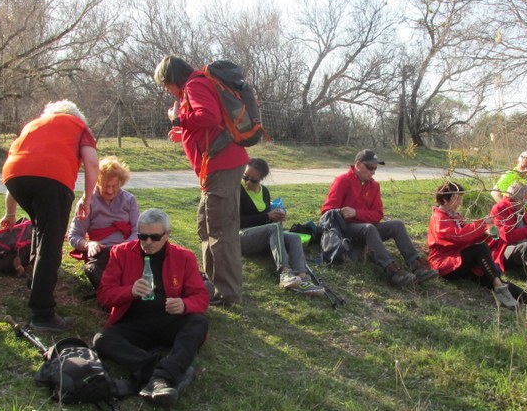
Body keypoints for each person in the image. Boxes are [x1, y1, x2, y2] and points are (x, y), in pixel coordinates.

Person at [154, 55, 247, 306]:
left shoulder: (194, 84)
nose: (167, 91)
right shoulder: (197, 85)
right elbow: (205, 124)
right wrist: (183, 130)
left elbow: (208, 116)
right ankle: (216, 283)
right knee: (206, 226)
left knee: (220, 230)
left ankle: (228, 294)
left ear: (172, 79)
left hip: (221, 165)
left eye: (166, 85)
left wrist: (178, 119)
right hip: (215, 167)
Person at [1, 100, 99, 332]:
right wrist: (87, 198)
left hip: (13, 178)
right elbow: (92, 164)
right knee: (52, 243)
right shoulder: (79, 127)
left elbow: (23, 163)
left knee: (41, 229)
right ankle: (42, 314)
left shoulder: (33, 126)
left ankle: (34, 284)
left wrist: (10, 212)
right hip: (52, 180)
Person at [93, 208, 209, 405]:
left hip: (168, 320)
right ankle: (163, 374)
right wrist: (129, 291)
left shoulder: (184, 257)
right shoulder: (121, 253)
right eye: (142, 236)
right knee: (102, 339)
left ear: (167, 235)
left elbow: (201, 296)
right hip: (134, 322)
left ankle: (158, 375)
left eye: (155, 237)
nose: (148, 242)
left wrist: (183, 304)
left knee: (198, 322)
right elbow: (104, 295)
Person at [320, 149, 438, 287]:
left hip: (367, 227)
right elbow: (326, 212)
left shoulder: (374, 186)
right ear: (358, 165)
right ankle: (393, 271)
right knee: (369, 228)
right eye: (370, 167)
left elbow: (378, 215)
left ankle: (417, 265)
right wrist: (341, 212)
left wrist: (356, 213)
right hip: (345, 229)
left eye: (375, 168)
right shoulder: (342, 181)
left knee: (397, 224)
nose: (374, 171)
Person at [427, 181, 524, 309]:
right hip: (445, 263)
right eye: (456, 199)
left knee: (489, 276)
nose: (460, 202)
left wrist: (486, 232)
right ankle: (501, 290)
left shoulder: (454, 216)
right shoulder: (439, 218)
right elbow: (459, 236)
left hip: (458, 260)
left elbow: (468, 235)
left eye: (460, 198)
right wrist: (482, 224)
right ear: (445, 200)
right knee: (480, 249)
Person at [239, 158, 325, 296]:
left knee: (294, 238)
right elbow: (237, 221)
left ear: (261, 178)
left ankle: (302, 279)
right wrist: (268, 217)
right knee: (273, 228)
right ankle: (285, 273)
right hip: (240, 236)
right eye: (245, 177)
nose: (248, 182)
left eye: (253, 180)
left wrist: (278, 217)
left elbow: (264, 222)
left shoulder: (264, 192)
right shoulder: (237, 189)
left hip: (260, 237)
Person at [68, 157, 139, 289]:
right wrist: (89, 244)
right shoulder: (87, 202)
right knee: (93, 269)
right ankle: (112, 292)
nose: (110, 191)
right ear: (97, 182)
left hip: (127, 250)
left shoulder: (129, 200)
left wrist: (126, 245)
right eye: (106, 186)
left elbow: (138, 231)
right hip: (103, 252)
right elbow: (74, 236)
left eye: (115, 186)